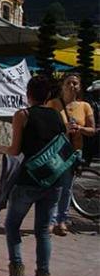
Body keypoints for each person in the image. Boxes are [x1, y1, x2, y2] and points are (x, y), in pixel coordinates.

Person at [0, 75, 68, 276]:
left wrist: (0, 147)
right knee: (42, 231)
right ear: (48, 95)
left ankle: (16, 274)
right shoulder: (57, 116)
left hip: (28, 180)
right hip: (54, 180)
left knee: (12, 225)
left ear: (28, 93)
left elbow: (16, 150)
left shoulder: (22, 115)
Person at [46, 73, 95, 236]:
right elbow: (43, 127)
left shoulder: (85, 106)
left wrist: (80, 129)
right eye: (68, 83)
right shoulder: (53, 104)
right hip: (56, 151)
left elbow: (92, 130)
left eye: (75, 83)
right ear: (62, 86)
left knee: (66, 187)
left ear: (79, 87)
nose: (72, 86)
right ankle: (51, 221)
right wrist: (63, 128)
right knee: (55, 186)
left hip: (74, 151)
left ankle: (62, 220)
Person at [82, 80, 100, 165]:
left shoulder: (95, 101)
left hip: (95, 129)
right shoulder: (89, 102)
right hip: (92, 129)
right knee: (89, 148)